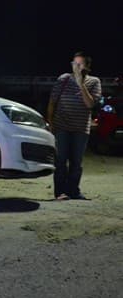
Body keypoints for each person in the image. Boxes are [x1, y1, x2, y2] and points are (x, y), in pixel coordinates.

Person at [47, 52, 101, 200]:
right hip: (61, 126)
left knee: (76, 163)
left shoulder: (94, 82)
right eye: (74, 63)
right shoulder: (63, 79)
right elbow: (52, 102)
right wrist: (51, 123)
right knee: (60, 161)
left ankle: (74, 191)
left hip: (81, 128)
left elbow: (90, 104)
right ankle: (60, 193)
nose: (76, 67)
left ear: (87, 67)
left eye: (80, 64)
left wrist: (80, 84)